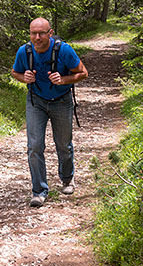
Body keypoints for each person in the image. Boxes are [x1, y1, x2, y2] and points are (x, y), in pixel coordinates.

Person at [11, 18, 88, 207]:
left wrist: (64, 79)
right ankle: (39, 191)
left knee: (63, 144)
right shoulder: (25, 51)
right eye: (33, 33)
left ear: (50, 33)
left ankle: (67, 179)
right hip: (36, 101)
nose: (37, 37)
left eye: (41, 33)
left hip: (61, 101)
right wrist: (24, 78)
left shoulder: (64, 50)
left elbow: (83, 73)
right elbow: (15, 72)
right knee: (34, 146)